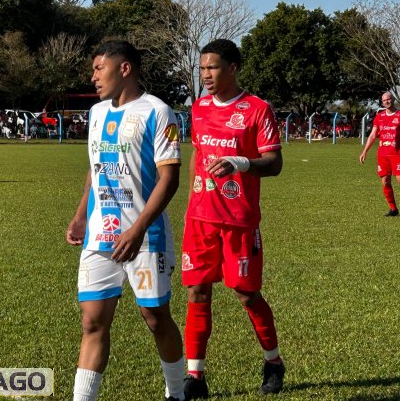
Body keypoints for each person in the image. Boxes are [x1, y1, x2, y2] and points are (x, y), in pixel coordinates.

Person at [66, 41, 186, 401]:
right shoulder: (97, 113)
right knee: (92, 321)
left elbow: (169, 178)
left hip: (144, 237)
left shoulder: (159, 112)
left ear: (125, 69)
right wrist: (81, 215)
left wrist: (138, 229)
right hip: (100, 235)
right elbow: (95, 167)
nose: (93, 76)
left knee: (155, 318)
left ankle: (177, 393)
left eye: (99, 68)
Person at [182, 39, 285, 398]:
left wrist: (240, 163)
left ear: (233, 68)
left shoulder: (257, 109)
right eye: (202, 68)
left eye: (212, 67)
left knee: (246, 294)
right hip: (200, 219)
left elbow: (274, 163)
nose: (205, 75)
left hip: (239, 220)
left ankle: (273, 362)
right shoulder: (198, 108)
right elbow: (198, 155)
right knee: (197, 291)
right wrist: (194, 200)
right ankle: (195, 376)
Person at [359, 91, 400, 217]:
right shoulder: (379, 117)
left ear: (393, 99)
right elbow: (373, 135)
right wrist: (364, 151)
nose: (386, 102)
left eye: (388, 99)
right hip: (383, 155)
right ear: (382, 102)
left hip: (397, 154)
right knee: (385, 181)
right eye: (384, 100)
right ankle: (393, 209)